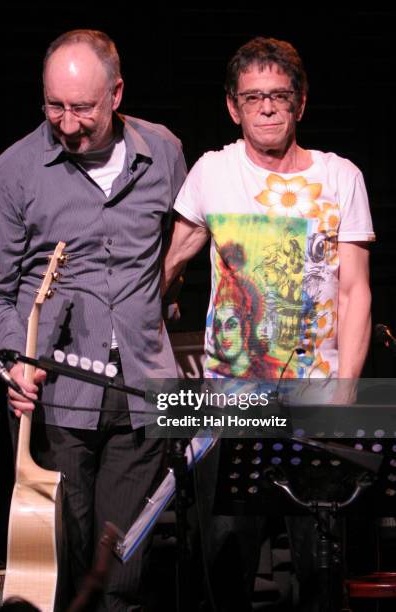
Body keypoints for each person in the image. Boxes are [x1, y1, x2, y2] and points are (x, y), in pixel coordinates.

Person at [0, 29, 186, 611]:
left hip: (142, 390)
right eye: (53, 105)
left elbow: (183, 250)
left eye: (82, 108)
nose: (66, 123)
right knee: (65, 576)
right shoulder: (14, 172)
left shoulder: (163, 151)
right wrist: (18, 358)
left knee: (123, 578)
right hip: (58, 396)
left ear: (116, 93)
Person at [163, 37, 374, 610]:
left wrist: (347, 392)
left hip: (315, 398)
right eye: (253, 97)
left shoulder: (340, 177)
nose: (267, 108)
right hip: (230, 402)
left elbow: (355, 290)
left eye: (280, 96)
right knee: (225, 564)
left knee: (318, 570)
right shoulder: (212, 172)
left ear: (300, 103)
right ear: (233, 106)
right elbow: (173, 263)